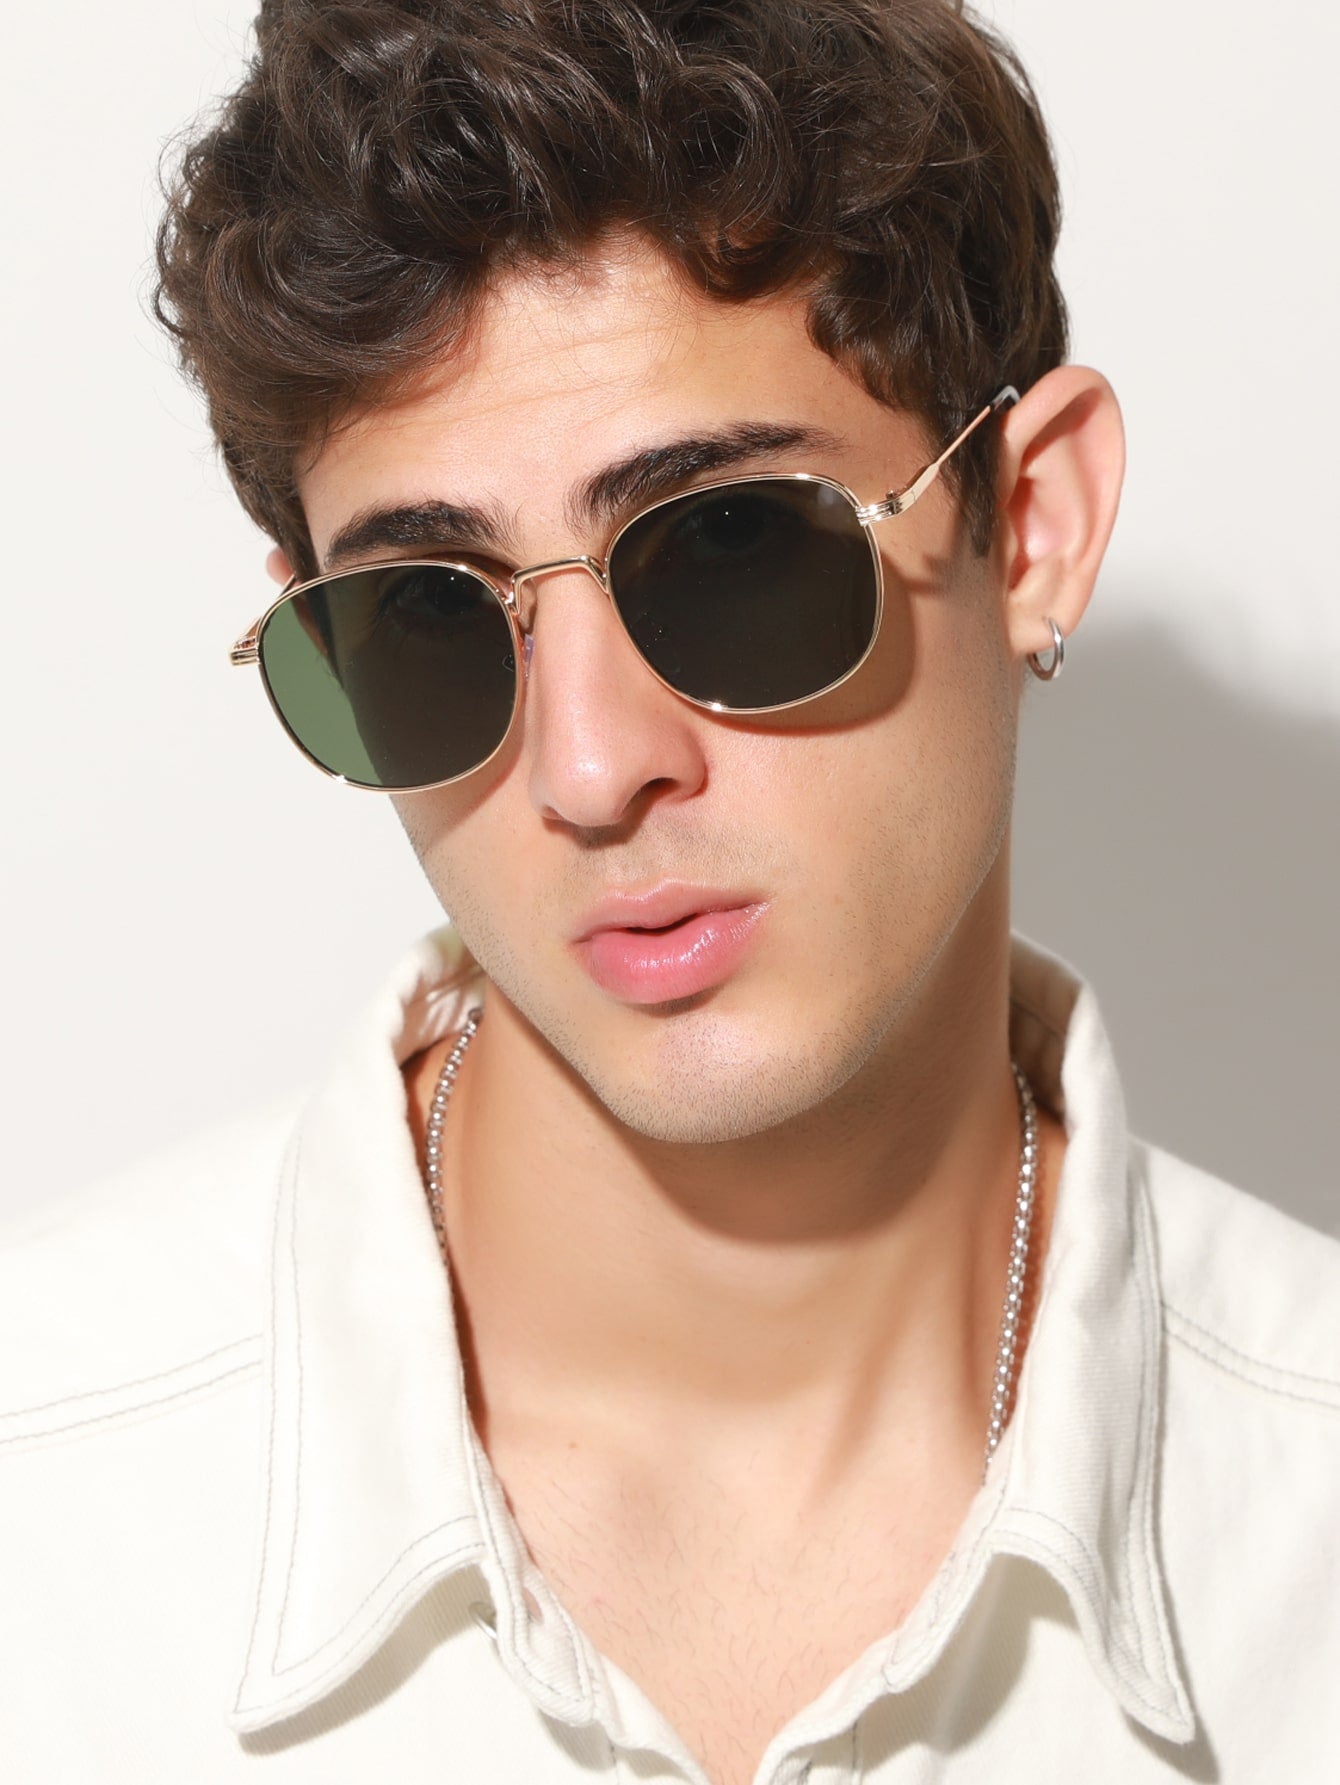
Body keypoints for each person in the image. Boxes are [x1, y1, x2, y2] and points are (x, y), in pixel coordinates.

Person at [2, 2, 1336, 1780]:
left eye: (731, 546)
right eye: (424, 615)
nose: (588, 766)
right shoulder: (47, 1522)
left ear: (1030, 523)